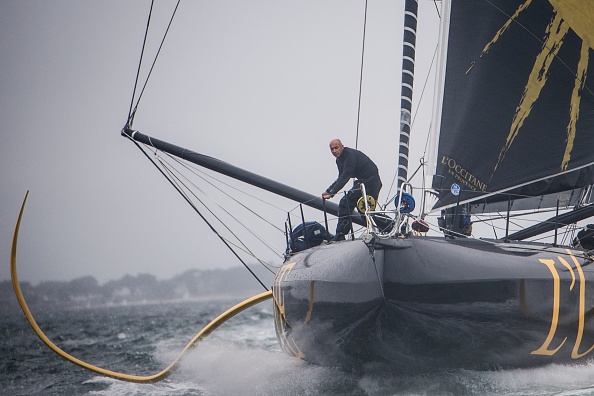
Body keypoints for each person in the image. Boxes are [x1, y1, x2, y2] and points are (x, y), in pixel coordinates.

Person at [322, 139, 382, 240]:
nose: (334, 151)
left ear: (342, 147)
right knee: (364, 211)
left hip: (371, 181)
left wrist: (332, 193)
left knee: (346, 202)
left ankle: (341, 233)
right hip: (363, 181)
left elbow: (345, 176)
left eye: (336, 148)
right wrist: (329, 190)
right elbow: (340, 177)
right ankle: (387, 226)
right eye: (332, 149)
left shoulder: (349, 156)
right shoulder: (339, 160)